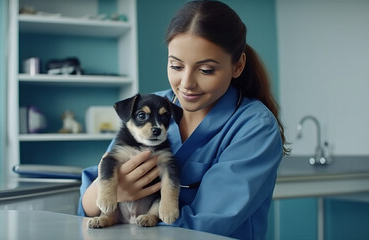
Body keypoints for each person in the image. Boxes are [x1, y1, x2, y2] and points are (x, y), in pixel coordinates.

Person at [78, 1, 289, 239]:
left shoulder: (254, 126)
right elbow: (89, 202)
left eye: (206, 70)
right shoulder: (155, 105)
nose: (186, 83)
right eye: (176, 65)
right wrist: (110, 191)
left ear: (238, 65)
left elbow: (208, 223)